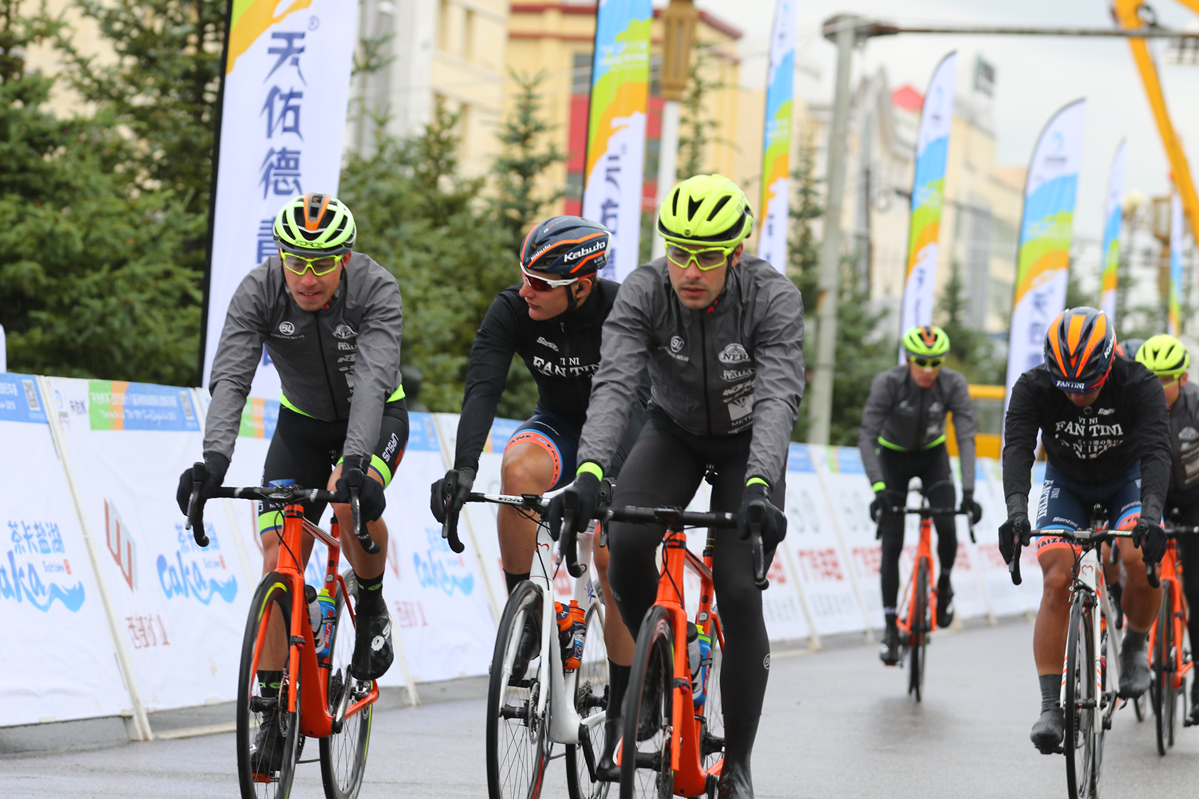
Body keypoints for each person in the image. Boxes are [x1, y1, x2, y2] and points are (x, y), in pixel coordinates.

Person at [546, 174, 805, 799]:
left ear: (735, 254)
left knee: (738, 589)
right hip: (676, 430)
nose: (690, 270)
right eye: (679, 252)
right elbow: (614, 383)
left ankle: (737, 763)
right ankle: (658, 664)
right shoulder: (645, 290)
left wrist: (761, 485)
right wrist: (589, 472)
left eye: (707, 257)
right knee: (626, 542)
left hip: (749, 445)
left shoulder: (772, 297)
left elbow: (778, 397)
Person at [176, 193, 405, 772]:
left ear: (345, 259)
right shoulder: (259, 289)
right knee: (279, 555)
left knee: (349, 503)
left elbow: (372, 383)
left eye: (321, 263)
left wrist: (356, 465)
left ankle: (370, 605)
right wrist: (213, 462)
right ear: (280, 254)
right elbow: (232, 376)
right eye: (295, 261)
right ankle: (273, 711)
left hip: (376, 419)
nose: (306, 276)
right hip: (300, 426)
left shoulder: (376, 288)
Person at [429, 215, 646, 780]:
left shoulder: (620, 309)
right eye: (523, 276)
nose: (525, 290)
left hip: (624, 432)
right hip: (559, 425)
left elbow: (637, 403)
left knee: (610, 558)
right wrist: (462, 468)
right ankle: (525, 615)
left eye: (540, 283)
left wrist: (604, 480)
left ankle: (622, 708)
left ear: (581, 286)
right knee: (517, 470)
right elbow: (483, 386)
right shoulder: (512, 309)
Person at [999, 307, 1169, 754]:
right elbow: (1018, 449)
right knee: (1056, 577)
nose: (1077, 396)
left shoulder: (1139, 383)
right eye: (1067, 387)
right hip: (1067, 483)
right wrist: (1016, 512)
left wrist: (1152, 513)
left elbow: (1157, 451)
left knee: (1138, 557)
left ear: (1109, 362)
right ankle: (1050, 707)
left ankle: (1135, 644)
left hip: (1127, 480)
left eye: (1088, 386)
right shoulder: (1033, 386)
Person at [858, 325, 981, 665]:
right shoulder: (888, 383)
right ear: (908, 359)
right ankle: (889, 630)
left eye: (935, 362)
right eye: (921, 362)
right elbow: (866, 437)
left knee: (947, 525)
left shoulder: (953, 383)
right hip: (893, 459)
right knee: (892, 542)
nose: (928, 369)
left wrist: (968, 491)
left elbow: (966, 436)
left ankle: (944, 585)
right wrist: (878, 488)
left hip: (932, 458)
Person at [1135, 334, 1199, 724]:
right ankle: (1135, 647)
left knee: (1196, 589)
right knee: (1136, 569)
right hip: (1151, 499)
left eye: (1165, 379)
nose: (1157, 387)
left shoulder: (1196, 405)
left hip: (1193, 500)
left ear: (1184, 378)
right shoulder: (1135, 404)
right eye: (1150, 378)